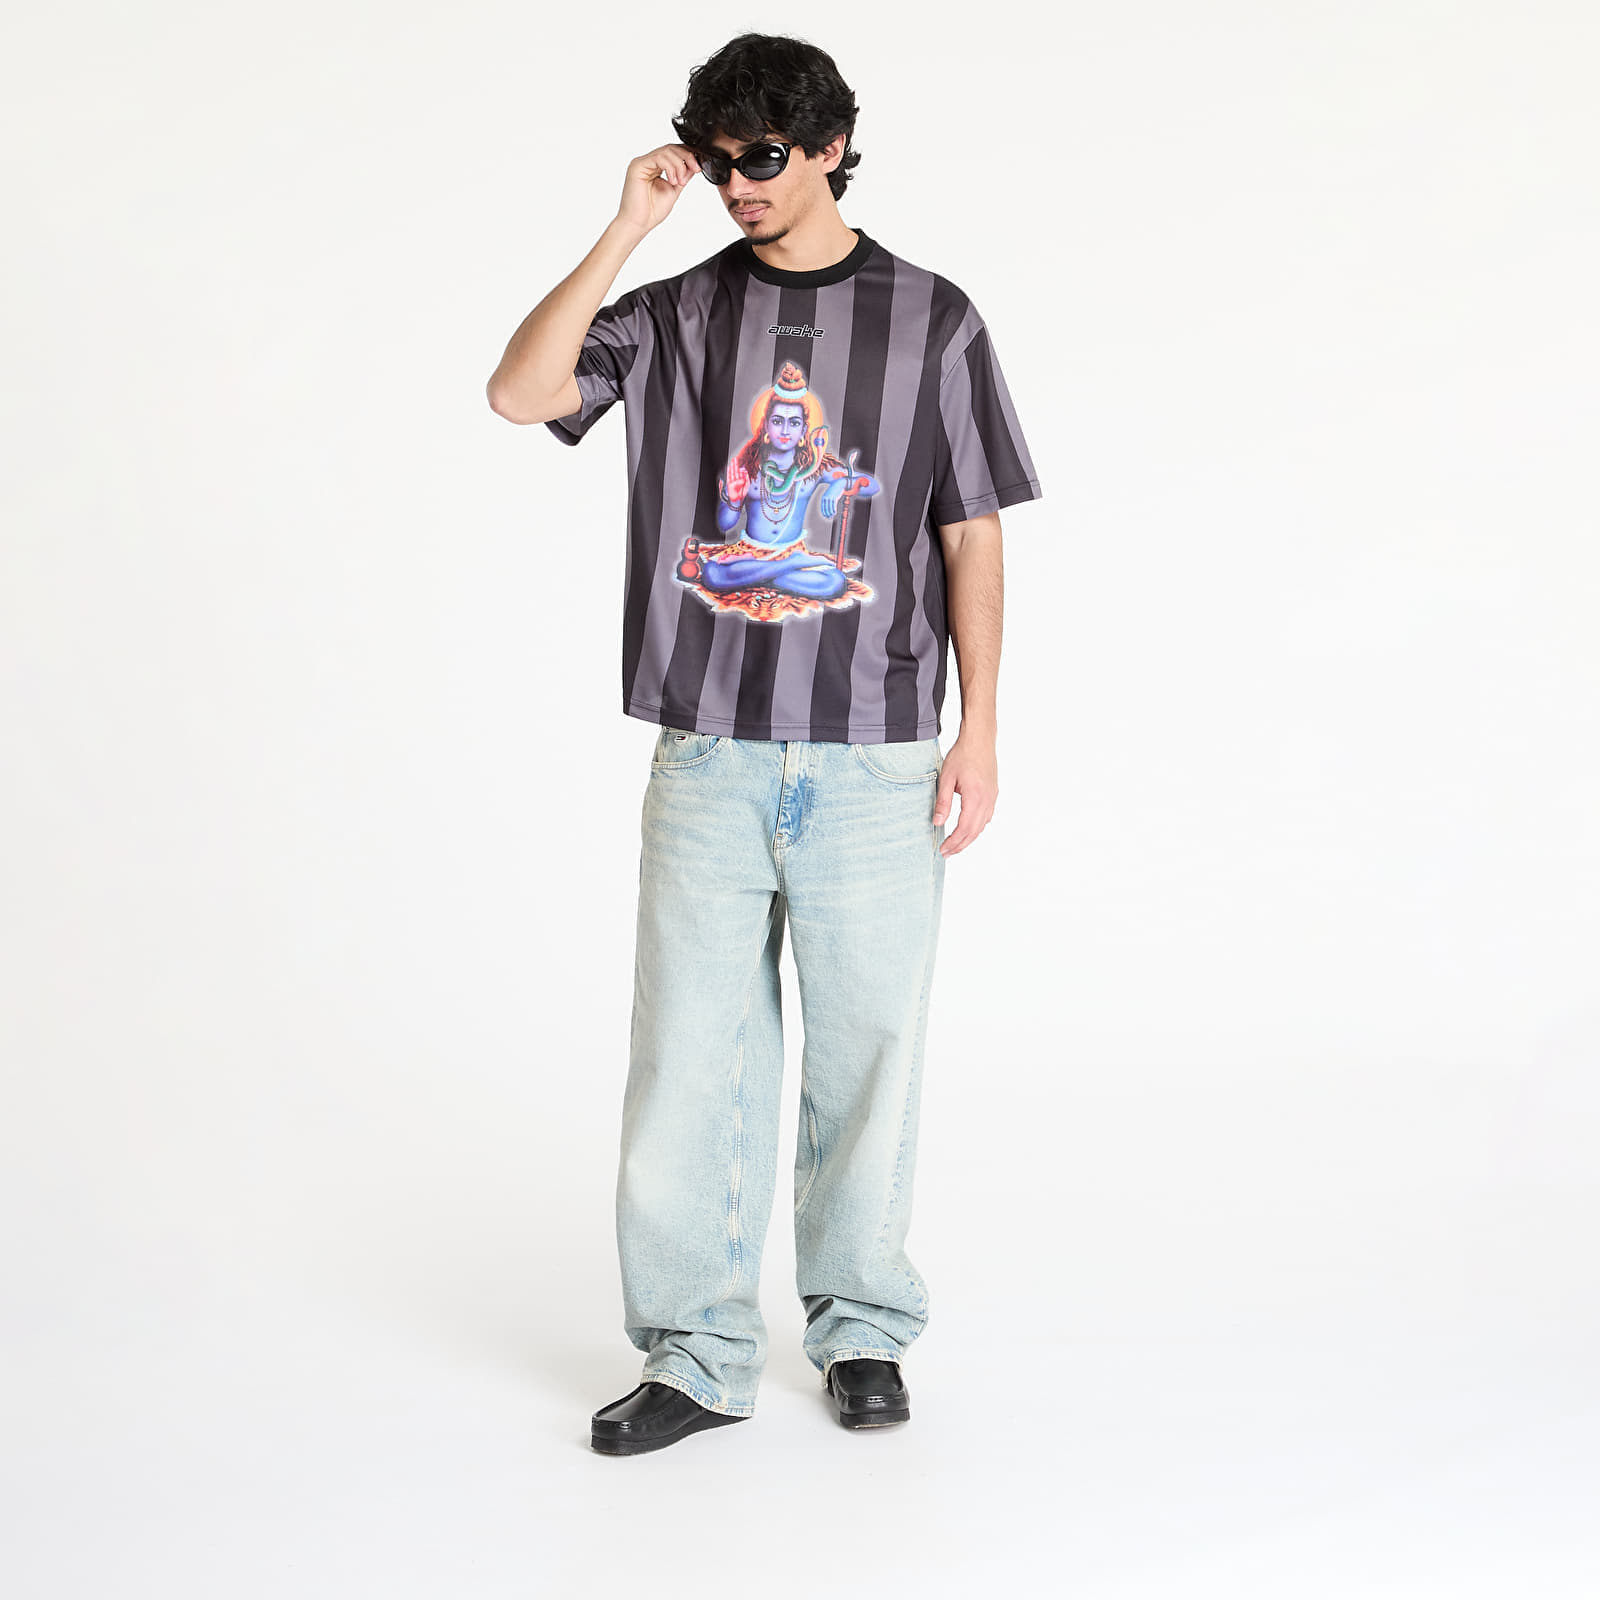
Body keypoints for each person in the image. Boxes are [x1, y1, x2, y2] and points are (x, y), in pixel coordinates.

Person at [486, 31, 1042, 1455]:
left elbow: (969, 533)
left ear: (834, 147)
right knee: (691, 1058)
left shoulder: (934, 320)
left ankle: (862, 1330)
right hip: (711, 752)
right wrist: (628, 224)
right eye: (721, 157)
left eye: (766, 156)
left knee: (870, 1054)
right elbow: (521, 393)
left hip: (874, 753)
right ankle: (696, 1352)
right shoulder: (676, 311)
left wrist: (980, 726)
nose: (739, 182)